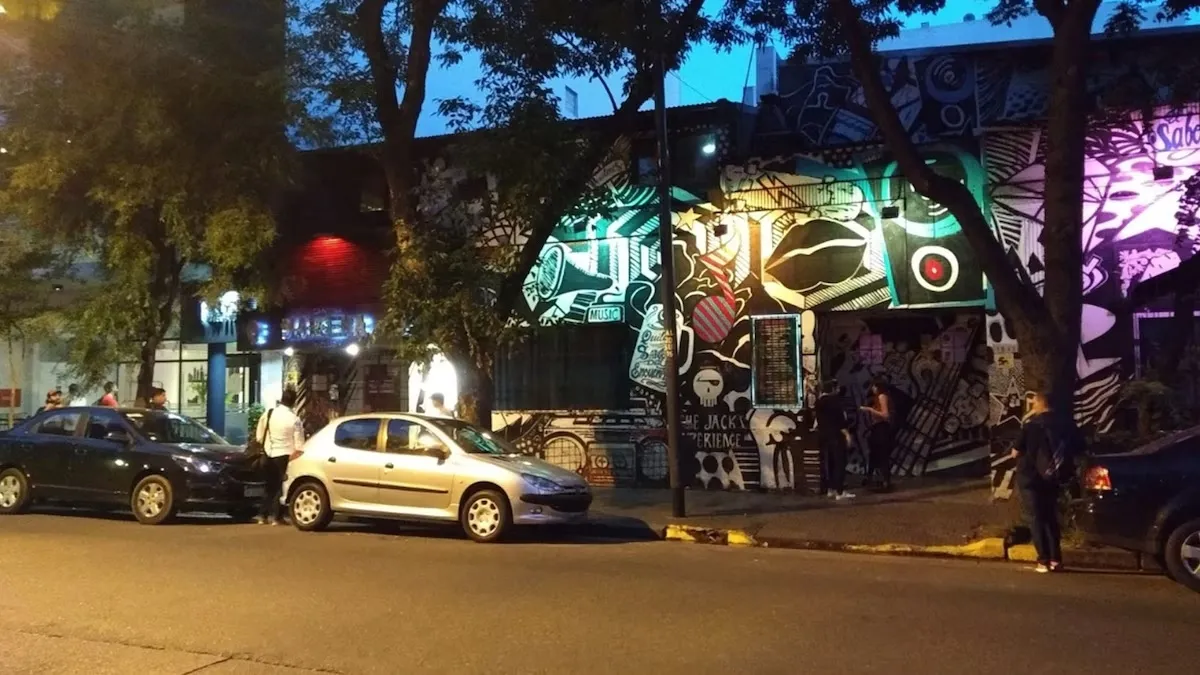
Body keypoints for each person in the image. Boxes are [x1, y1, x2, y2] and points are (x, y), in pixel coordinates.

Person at [1011, 390, 1076, 573]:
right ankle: (1056, 559)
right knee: (1050, 517)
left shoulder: (1030, 425)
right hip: (1052, 477)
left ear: (1040, 403)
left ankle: (1043, 560)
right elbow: (1078, 448)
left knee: (1036, 518)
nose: (1032, 406)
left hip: (1030, 478)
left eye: (1033, 403)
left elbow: (1015, 452)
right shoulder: (1066, 425)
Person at [253, 387, 305, 525]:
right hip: (285, 456)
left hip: (268, 454)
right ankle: (277, 517)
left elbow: (259, 436)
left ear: (281, 399)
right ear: (294, 402)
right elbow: (299, 445)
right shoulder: (294, 419)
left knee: (268, 485)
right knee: (280, 487)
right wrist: (293, 457)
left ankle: (262, 515)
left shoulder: (269, 414)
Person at [815, 380, 855, 500]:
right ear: (832, 389)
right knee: (839, 462)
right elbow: (840, 420)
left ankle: (830, 489)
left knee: (829, 462)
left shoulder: (819, 402)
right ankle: (839, 491)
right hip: (836, 436)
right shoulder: (834, 401)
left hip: (823, 435)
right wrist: (847, 435)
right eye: (836, 388)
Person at [860, 375, 894, 491]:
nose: (872, 388)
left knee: (882, 454)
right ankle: (870, 477)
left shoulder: (882, 396)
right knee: (873, 454)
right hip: (876, 428)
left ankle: (886, 480)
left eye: (874, 386)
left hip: (882, 428)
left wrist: (870, 410)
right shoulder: (876, 397)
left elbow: (885, 415)